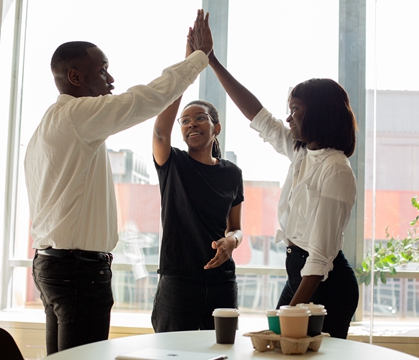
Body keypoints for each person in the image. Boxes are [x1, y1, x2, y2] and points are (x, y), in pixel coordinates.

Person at [24, 10, 213, 354]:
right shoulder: (78, 116)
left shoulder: (48, 125)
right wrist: (199, 59)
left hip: (52, 264)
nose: (111, 79)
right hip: (78, 272)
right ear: (76, 77)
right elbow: (144, 99)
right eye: (103, 70)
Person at [201, 50, 359, 339]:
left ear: (318, 113)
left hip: (324, 283)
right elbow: (259, 117)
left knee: (287, 347)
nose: (288, 118)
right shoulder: (302, 151)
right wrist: (212, 61)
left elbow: (321, 256)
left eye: (295, 109)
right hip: (299, 274)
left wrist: (290, 314)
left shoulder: (336, 170)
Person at [150, 83, 244, 332]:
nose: (191, 124)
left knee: (222, 350)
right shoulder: (173, 163)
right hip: (179, 281)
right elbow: (160, 133)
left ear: (217, 128)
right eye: (185, 121)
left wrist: (231, 242)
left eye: (200, 118)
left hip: (222, 282)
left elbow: (236, 228)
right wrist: (184, 75)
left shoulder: (232, 173)